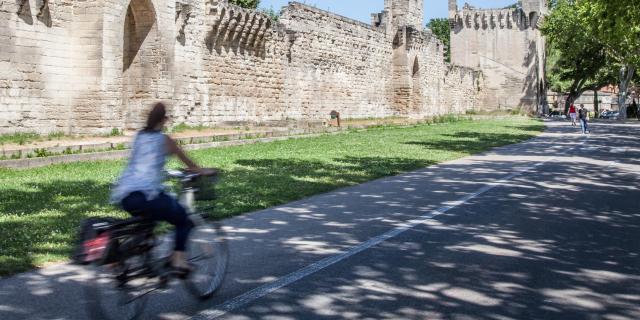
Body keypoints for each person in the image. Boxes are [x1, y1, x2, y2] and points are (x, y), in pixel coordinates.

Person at [110, 102, 214, 275]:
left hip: (126, 195)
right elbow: (190, 165)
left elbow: (144, 164)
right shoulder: (165, 140)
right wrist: (205, 171)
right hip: (149, 196)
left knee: (146, 227)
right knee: (183, 220)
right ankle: (179, 261)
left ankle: (122, 257)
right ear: (164, 119)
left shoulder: (139, 137)